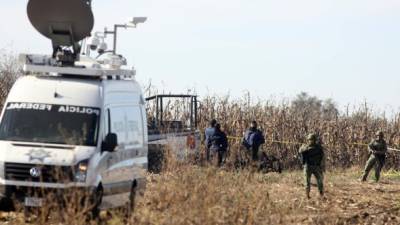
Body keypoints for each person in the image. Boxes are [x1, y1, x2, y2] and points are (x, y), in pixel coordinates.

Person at [299, 133, 325, 199]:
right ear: (308, 140)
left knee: (320, 181)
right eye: (310, 139)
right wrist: (306, 148)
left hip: (316, 166)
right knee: (307, 182)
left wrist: (322, 166)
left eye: (312, 139)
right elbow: (300, 151)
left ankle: (321, 194)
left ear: (315, 140)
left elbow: (322, 156)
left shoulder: (318, 147)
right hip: (308, 166)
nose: (311, 141)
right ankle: (307, 195)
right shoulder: (305, 146)